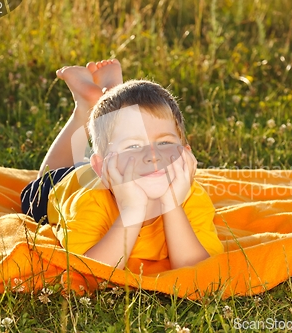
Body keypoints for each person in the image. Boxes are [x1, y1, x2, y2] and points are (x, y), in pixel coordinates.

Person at [21, 59, 224, 272]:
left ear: (186, 154)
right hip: (71, 183)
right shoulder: (90, 201)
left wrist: (172, 205)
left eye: (164, 143)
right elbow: (92, 270)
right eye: (134, 145)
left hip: (111, 163)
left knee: (113, 131)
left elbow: (199, 271)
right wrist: (132, 210)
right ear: (101, 167)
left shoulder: (192, 197)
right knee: (49, 176)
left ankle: (109, 97)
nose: (152, 156)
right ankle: (84, 109)